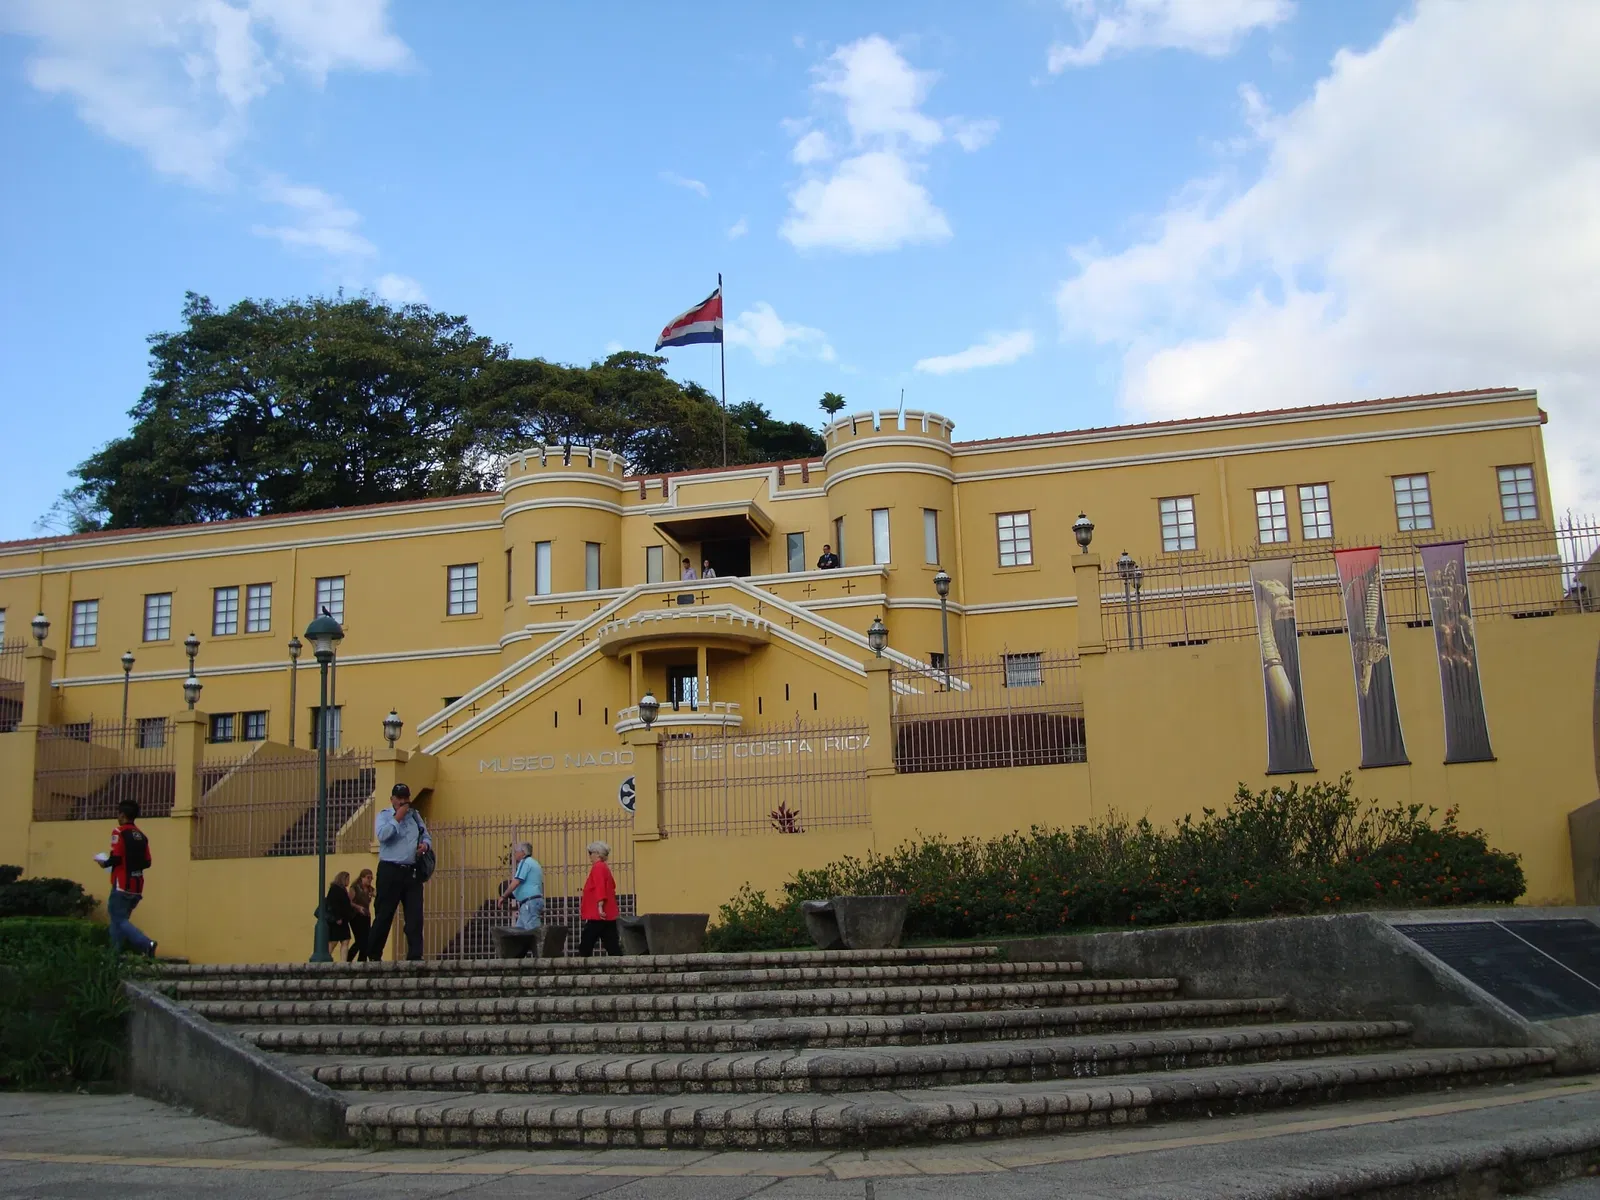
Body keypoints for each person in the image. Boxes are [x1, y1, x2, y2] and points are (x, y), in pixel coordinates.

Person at [367, 783, 431, 961]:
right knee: (384, 914)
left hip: (411, 871)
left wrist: (425, 845)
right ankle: (373, 955)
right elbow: (382, 835)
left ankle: (415, 956)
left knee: (415, 916)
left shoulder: (415, 816)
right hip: (390, 869)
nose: (402, 802)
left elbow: (425, 835)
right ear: (392, 799)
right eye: (399, 798)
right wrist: (397, 819)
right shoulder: (385, 816)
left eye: (405, 798)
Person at [96, 798, 156, 957]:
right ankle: (114, 957)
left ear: (122, 815)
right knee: (118, 922)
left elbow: (116, 857)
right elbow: (148, 862)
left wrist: (104, 863)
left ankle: (147, 944)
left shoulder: (119, 832)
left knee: (118, 918)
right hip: (136, 886)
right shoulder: (142, 836)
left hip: (121, 883)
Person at [578, 840, 622, 957]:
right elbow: (611, 885)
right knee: (611, 942)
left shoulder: (597, 867)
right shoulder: (604, 868)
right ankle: (621, 965)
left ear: (597, 854)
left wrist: (600, 906)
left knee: (587, 940)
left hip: (598, 913)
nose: (589, 856)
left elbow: (600, 887)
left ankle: (581, 966)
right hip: (607, 913)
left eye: (590, 853)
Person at [500, 842, 544, 931]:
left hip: (529, 902)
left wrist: (503, 896)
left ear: (523, 852)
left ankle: (539, 945)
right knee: (519, 932)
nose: (515, 854)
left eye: (516, 851)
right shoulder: (535, 863)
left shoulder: (525, 862)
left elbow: (516, 881)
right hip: (532, 901)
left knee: (533, 932)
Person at [347, 868, 375, 962]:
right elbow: (349, 902)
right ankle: (349, 958)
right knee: (360, 940)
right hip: (356, 916)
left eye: (371, 878)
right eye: (368, 877)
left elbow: (378, 895)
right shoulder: (354, 887)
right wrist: (359, 908)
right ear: (362, 878)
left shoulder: (370, 889)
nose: (369, 880)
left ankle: (362, 960)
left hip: (366, 916)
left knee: (367, 939)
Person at [323, 870, 354, 954]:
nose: (348, 881)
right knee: (334, 941)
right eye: (347, 879)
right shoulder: (335, 889)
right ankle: (326, 958)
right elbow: (333, 904)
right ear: (342, 879)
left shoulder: (341, 889)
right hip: (338, 920)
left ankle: (343, 962)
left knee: (344, 940)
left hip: (342, 919)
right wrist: (338, 917)